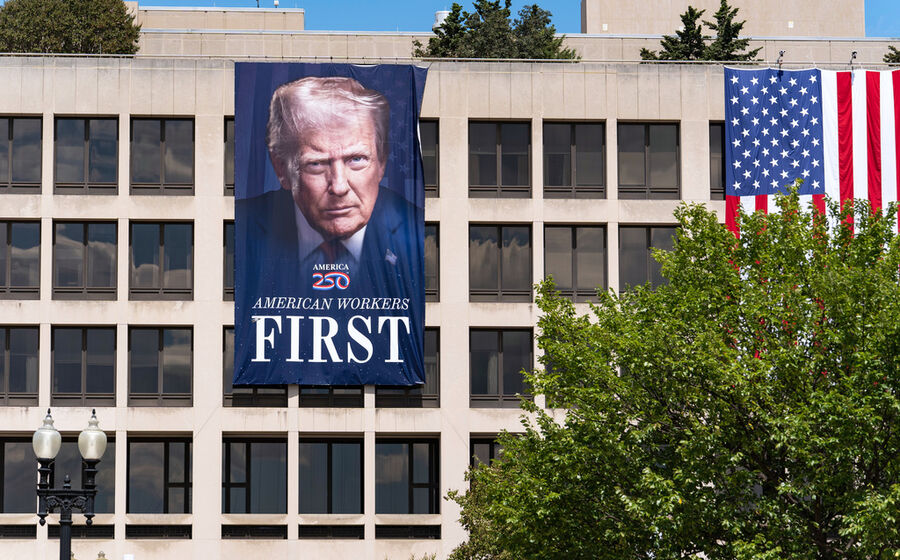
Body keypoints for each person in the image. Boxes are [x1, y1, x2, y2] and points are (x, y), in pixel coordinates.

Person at [236, 75, 422, 301]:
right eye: (316, 164)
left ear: (381, 162)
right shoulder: (243, 226)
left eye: (356, 159)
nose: (339, 186)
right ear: (281, 168)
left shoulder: (415, 229)